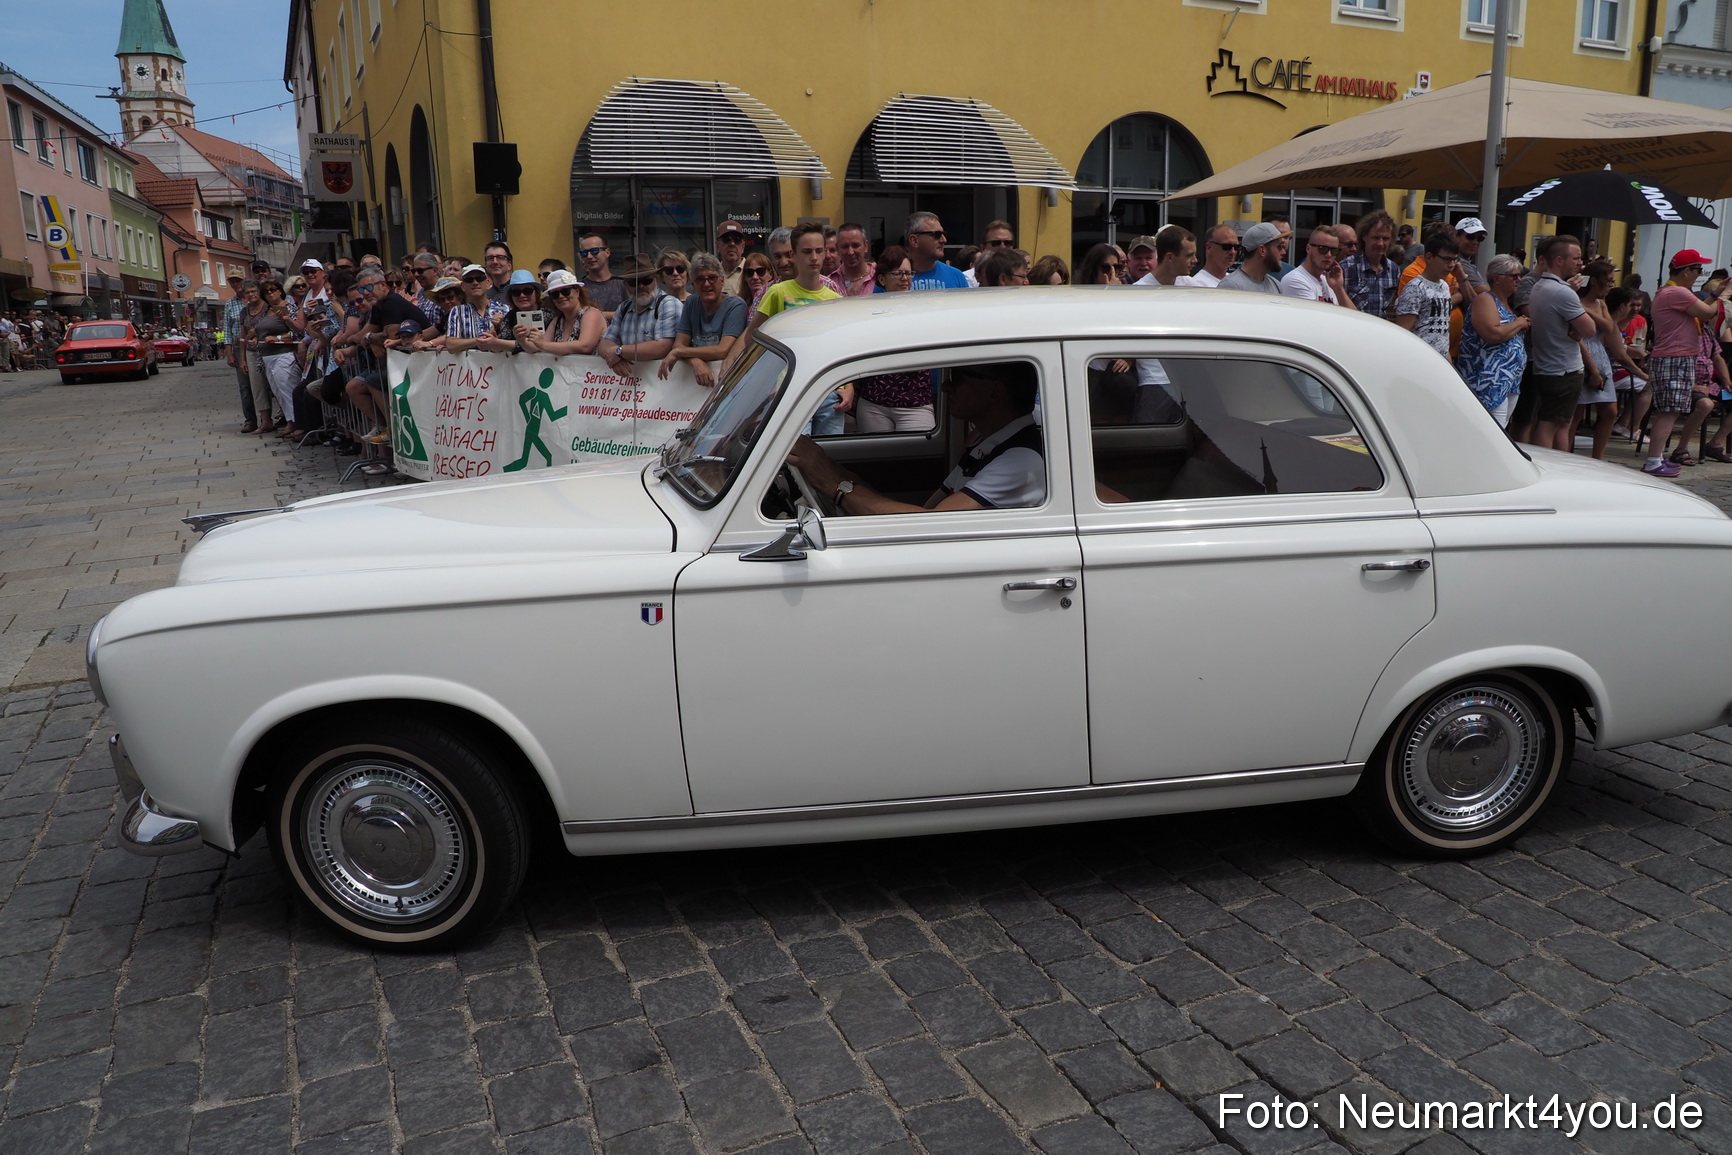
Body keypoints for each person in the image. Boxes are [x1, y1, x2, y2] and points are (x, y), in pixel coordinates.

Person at [787, 362, 1043, 514]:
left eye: (957, 379)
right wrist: (824, 467)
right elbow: (924, 512)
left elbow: (931, 524)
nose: (944, 387)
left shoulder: (1020, 461)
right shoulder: (986, 447)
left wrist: (835, 487)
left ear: (994, 392)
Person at [736, 223, 845, 430]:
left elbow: (843, 348)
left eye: (819, 251)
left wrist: (847, 386)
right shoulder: (777, 292)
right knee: (796, 455)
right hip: (789, 389)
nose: (814, 257)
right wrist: (770, 382)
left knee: (828, 455)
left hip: (829, 390)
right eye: (807, 251)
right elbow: (752, 340)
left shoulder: (835, 298)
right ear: (794, 254)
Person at [1514, 235, 1597, 454]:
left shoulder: (1541, 286)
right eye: (1576, 258)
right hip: (1563, 368)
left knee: (1555, 423)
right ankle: (1552, 465)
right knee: (1553, 424)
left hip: (1546, 364)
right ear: (1559, 260)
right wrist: (1576, 327)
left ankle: (1557, 464)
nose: (1580, 263)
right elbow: (1590, 329)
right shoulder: (1562, 292)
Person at [850, 246, 935, 432]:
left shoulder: (924, 312)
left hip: (915, 403)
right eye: (898, 273)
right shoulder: (868, 314)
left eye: (909, 273)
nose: (905, 278)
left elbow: (925, 358)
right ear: (882, 279)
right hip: (874, 404)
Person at [1577, 260, 1643, 460]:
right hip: (1582, 354)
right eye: (1609, 281)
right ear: (1596, 281)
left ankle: (1598, 456)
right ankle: (1567, 454)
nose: (1611, 285)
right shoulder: (1577, 300)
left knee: (1610, 411)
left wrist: (1588, 311)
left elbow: (1607, 327)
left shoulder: (1600, 303)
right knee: (1576, 413)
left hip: (1600, 356)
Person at [1456, 253, 1530, 428]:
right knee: (1493, 432)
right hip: (1488, 383)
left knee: (1501, 430)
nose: (1519, 280)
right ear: (1497, 278)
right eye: (1514, 276)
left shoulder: (1506, 304)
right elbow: (1493, 334)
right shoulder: (1485, 300)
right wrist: (1519, 322)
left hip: (1509, 382)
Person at [658, 252, 746, 387]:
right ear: (693, 283)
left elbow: (722, 350)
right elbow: (679, 344)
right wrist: (695, 361)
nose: (706, 284)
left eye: (712, 278)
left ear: (722, 281)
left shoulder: (736, 306)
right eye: (700, 279)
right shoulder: (691, 302)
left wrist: (679, 352)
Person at [600, 255, 682, 380]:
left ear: (656, 280)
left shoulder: (668, 304)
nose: (641, 286)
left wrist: (619, 351)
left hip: (665, 386)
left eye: (647, 280)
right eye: (634, 282)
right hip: (633, 389)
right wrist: (613, 358)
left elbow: (662, 347)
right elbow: (605, 343)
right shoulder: (624, 308)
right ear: (625, 285)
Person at [253, 280, 306, 438]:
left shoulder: (288, 307)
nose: (270, 293)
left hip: (283, 354)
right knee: (278, 391)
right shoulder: (266, 310)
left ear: (280, 291)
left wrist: (276, 338)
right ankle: (290, 421)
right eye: (266, 291)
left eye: (273, 289)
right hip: (267, 356)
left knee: (287, 388)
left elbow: (297, 332)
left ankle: (298, 423)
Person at [1394, 234, 1461, 359]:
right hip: (1420, 359)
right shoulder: (1415, 288)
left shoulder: (1445, 286)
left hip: (1441, 358)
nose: (1451, 265)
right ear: (1429, 257)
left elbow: (1442, 330)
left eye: (1454, 259)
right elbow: (1403, 331)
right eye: (1447, 259)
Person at [521, 269, 603, 357]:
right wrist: (522, 339)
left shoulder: (591, 313)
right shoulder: (557, 321)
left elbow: (585, 346)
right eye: (555, 294)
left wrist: (544, 345)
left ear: (577, 292)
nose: (560, 296)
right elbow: (535, 347)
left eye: (565, 291)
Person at [1341, 210, 1402, 318]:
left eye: (1385, 238)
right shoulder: (1346, 268)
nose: (1380, 243)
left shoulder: (1394, 270)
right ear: (1364, 236)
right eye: (1376, 238)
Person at [1279, 225, 1356, 308]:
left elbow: (1354, 317)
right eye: (1322, 248)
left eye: (1334, 251)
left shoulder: (1328, 281)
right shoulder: (1295, 280)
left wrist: (1339, 288)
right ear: (1308, 249)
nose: (1328, 255)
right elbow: (1316, 318)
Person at [221, 273, 256, 431]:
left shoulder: (255, 299)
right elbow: (227, 329)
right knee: (245, 386)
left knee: (262, 384)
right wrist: (229, 353)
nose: (236, 284)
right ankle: (250, 420)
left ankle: (267, 418)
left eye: (238, 280)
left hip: (257, 345)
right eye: (232, 281)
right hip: (237, 346)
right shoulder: (230, 304)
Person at [905, 212, 969, 290]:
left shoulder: (956, 276)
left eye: (943, 234)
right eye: (937, 235)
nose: (944, 240)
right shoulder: (895, 279)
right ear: (914, 240)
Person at [1221, 222, 1284, 294]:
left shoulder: (1276, 285)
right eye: (1280, 246)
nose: (1283, 252)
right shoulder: (1231, 286)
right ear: (1262, 250)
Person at [577, 233, 628, 315]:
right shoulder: (579, 288)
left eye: (594, 251)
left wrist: (594, 316)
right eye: (584, 253)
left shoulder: (624, 284)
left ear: (607, 252)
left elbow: (631, 315)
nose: (589, 256)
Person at [1134, 227, 1198, 288]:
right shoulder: (1140, 290)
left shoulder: (1188, 284)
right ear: (1170, 257)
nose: (1195, 260)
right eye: (1189, 255)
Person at [1190, 224, 1240, 289]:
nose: (1233, 252)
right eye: (1226, 246)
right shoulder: (1198, 284)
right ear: (1209, 247)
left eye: (1236, 247)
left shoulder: (1234, 281)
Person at [834, 222, 876, 297]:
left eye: (856, 246)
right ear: (837, 249)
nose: (850, 252)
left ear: (866, 246)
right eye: (845, 246)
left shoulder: (880, 278)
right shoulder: (829, 282)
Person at [716, 220, 750, 296]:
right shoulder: (713, 274)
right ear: (718, 245)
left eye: (737, 240)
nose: (732, 244)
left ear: (743, 247)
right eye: (726, 239)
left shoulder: (753, 272)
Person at [481, 241, 514, 310]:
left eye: (500, 257)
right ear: (485, 265)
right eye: (490, 258)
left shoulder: (520, 292)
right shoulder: (485, 295)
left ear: (509, 265)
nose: (495, 262)